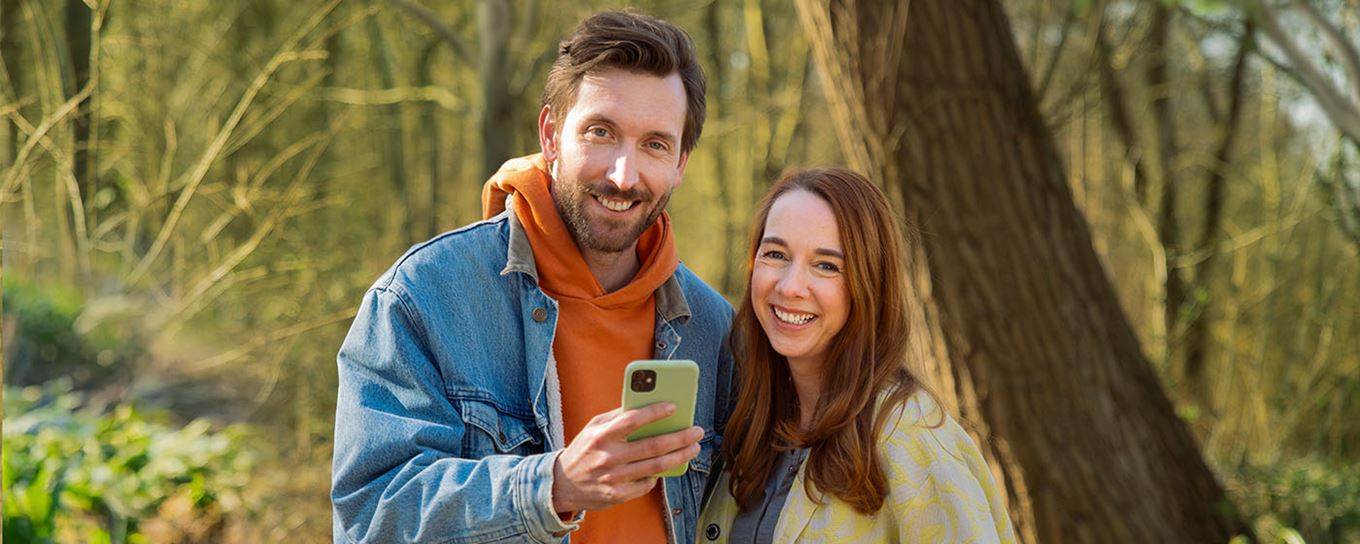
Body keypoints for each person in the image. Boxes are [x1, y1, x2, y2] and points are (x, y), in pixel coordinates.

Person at [331, 10, 734, 544]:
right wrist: (553, 487)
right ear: (550, 135)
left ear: (681, 162)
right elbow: (371, 516)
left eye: (655, 144)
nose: (623, 174)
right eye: (600, 132)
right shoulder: (421, 297)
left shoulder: (715, 329)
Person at [697, 168, 1015, 543]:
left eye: (826, 265)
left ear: (869, 284)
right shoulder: (749, 425)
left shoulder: (914, 442)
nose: (791, 286)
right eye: (776, 254)